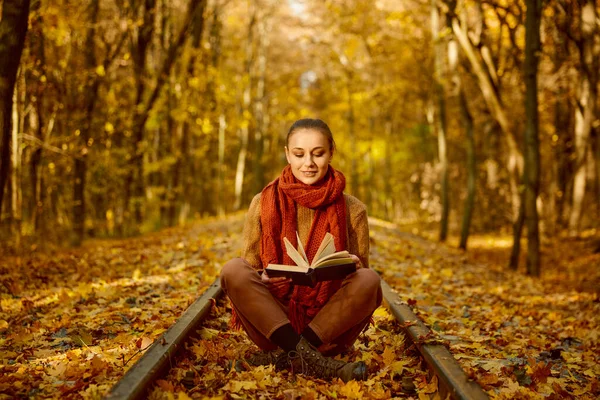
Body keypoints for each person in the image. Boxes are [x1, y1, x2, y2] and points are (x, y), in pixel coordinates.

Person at [220, 118, 382, 382]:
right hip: (275, 323)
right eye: (299, 154)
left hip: (329, 326)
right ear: (287, 154)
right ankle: (306, 355)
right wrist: (263, 278)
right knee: (233, 269)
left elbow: (360, 280)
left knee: (370, 279)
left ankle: (290, 354)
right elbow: (249, 268)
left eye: (318, 154)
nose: (308, 163)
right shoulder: (262, 202)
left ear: (331, 153)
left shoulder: (354, 209)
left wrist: (354, 264)